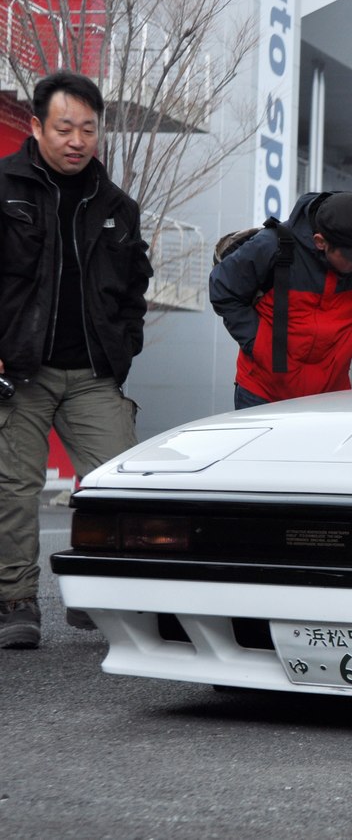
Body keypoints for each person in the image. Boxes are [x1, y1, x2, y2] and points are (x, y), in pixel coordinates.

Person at [0, 70, 154, 649]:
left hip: (92, 373)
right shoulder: (5, 187)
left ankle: (96, 595)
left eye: (88, 129)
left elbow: (135, 283)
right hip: (18, 369)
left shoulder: (116, 204)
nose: (76, 140)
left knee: (122, 483)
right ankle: (15, 601)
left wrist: (125, 344)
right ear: (37, 126)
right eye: (64, 127)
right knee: (14, 487)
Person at [209, 192, 352, 409]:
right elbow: (223, 288)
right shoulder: (272, 246)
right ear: (320, 242)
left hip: (331, 396)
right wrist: (258, 343)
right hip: (263, 393)